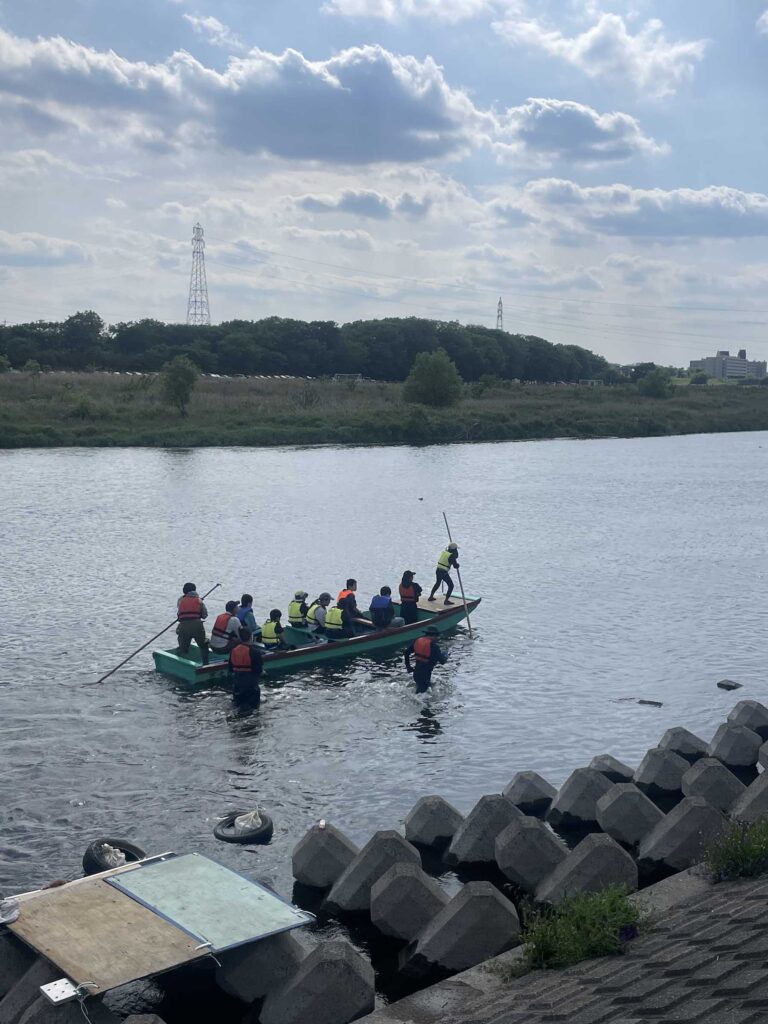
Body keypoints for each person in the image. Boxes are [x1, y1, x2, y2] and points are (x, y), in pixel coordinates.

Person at [404, 625, 447, 693]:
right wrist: (445, 655)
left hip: (416, 673)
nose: (437, 638)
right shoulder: (434, 646)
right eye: (436, 636)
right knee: (421, 694)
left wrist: (408, 666)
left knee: (424, 688)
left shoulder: (417, 641)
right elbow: (442, 661)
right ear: (434, 635)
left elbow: (406, 653)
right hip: (425, 675)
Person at [176, 582, 209, 664]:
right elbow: (205, 615)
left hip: (184, 626)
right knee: (203, 645)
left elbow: (179, 614)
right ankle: (206, 664)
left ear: (184, 591)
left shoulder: (180, 600)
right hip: (197, 626)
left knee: (183, 648)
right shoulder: (199, 600)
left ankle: (181, 663)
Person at [228, 627, 263, 704]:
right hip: (251, 686)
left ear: (240, 638)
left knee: (238, 705)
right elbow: (258, 671)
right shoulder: (255, 652)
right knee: (253, 708)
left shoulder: (233, 651)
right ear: (251, 637)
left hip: (237, 685)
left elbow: (230, 668)